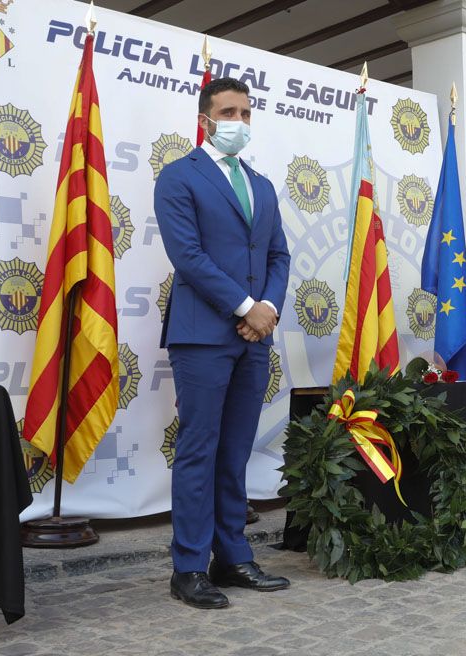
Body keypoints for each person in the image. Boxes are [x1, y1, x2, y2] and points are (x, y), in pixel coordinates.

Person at [155, 78, 291, 608]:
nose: (239, 121)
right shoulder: (178, 177)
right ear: (207, 119)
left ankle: (232, 557)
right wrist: (245, 308)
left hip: (256, 337)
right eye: (229, 112)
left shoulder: (260, 184)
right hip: (203, 335)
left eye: (246, 112)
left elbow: (278, 255)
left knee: (235, 451)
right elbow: (188, 256)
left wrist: (269, 311)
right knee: (199, 450)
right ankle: (188, 568)